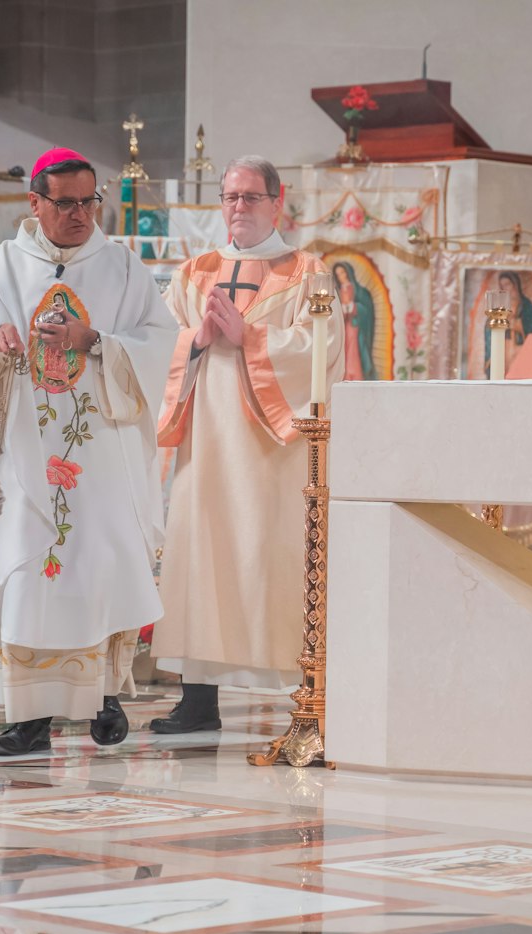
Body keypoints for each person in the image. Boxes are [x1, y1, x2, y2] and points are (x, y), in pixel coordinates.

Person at [0, 147, 176, 756]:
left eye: (88, 201)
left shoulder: (123, 268)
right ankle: (30, 717)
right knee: (30, 573)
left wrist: (94, 340)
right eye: (66, 203)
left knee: (96, 568)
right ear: (36, 203)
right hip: (24, 455)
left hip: (99, 455)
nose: (80, 214)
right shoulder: (2, 267)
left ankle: (103, 697)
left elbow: (159, 342)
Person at [150, 156, 344, 734]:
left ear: (277, 203)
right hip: (206, 446)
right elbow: (159, 347)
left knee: (271, 560)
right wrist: (198, 339)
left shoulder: (308, 272)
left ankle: (299, 688)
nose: (238, 207)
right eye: (230, 197)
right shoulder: (194, 273)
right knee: (199, 559)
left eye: (251, 197)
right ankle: (197, 699)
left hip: (272, 455)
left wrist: (251, 336)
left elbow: (324, 349)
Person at [333, 261, 375, 380]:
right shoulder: (337, 293)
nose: (341, 276)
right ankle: (344, 376)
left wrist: (354, 307)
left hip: (355, 327)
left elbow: (367, 310)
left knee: (353, 352)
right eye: (338, 274)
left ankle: (355, 375)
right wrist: (341, 310)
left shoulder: (359, 291)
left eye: (342, 272)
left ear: (348, 273)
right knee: (343, 352)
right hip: (342, 328)